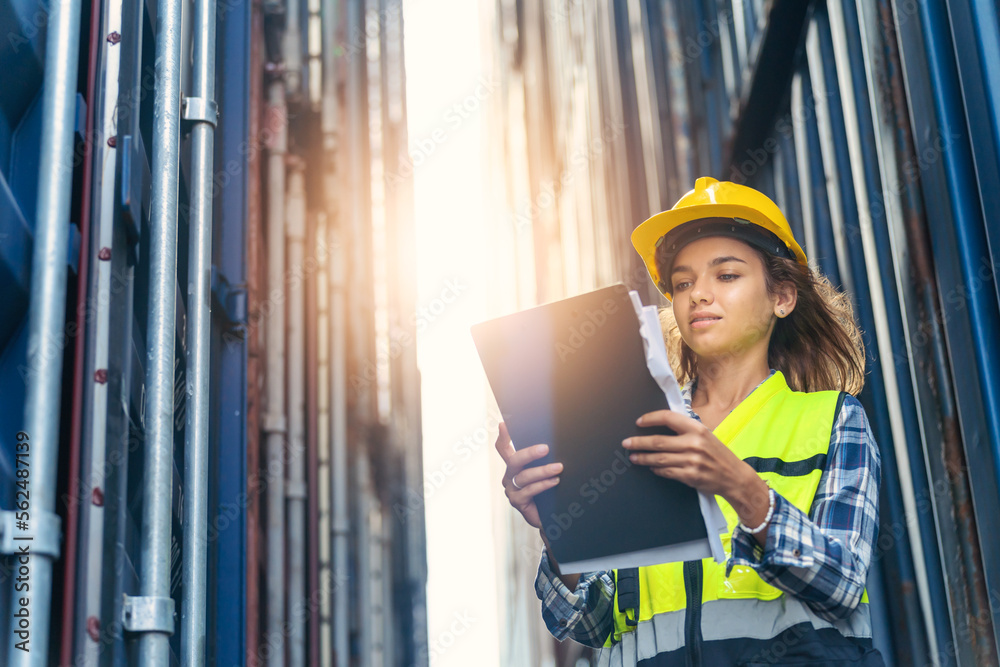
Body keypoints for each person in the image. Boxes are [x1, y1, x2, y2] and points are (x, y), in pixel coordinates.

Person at [495, 177, 885, 665]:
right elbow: (592, 624)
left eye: (726, 276)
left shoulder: (832, 421)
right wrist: (558, 528)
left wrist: (741, 489)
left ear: (782, 297)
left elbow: (843, 583)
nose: (699, 294)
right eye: (683, 283)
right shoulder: (635, 431)